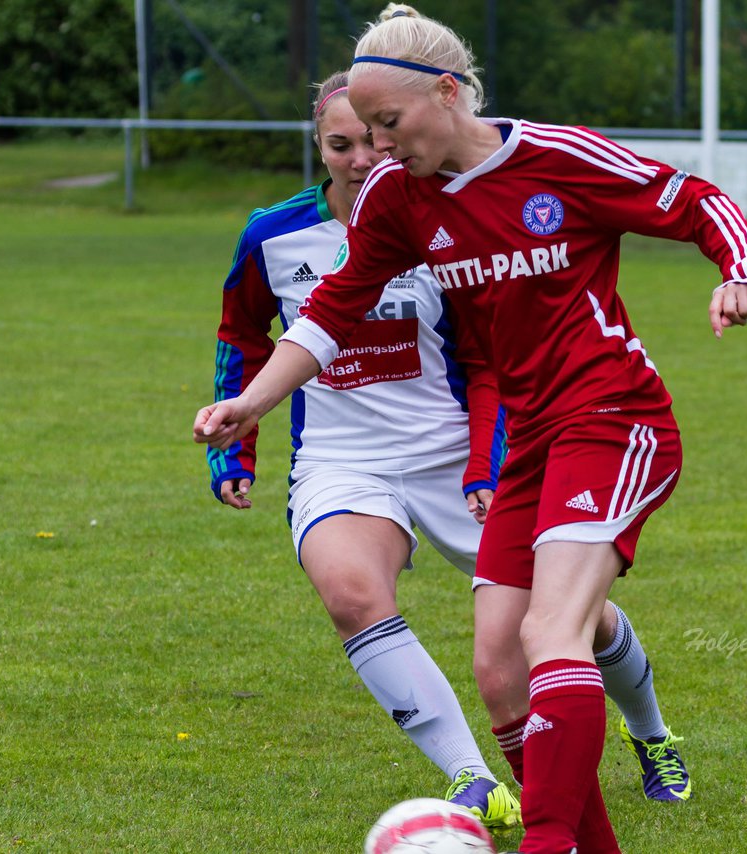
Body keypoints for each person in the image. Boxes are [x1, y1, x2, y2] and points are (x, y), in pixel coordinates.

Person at [195, 6, 747, 849]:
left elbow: (693, 201)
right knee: (501, 673)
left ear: (448, 91)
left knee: (551, 632)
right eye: (363, 132)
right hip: (533, 440)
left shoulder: (558, 158)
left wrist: (743, 277)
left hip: (612, 417)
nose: (380, 148)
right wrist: (255, 401)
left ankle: (551, 839)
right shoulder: (398, 195)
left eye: (390, 124)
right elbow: (333, 308)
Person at [206, 69, 519, 828]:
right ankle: (476, 781)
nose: (358, 159)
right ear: (319, 145)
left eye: (371, 142)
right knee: (351, 594)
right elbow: (244, 336)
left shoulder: (449, 224)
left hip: (455, 459)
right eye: (338, 144)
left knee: (575, 620)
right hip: (342, 462)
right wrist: (234, 447)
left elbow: (490, 363)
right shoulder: (273, 235)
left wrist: (488, 467)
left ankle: (650, 732)